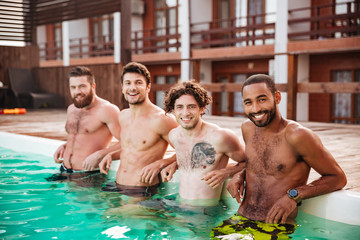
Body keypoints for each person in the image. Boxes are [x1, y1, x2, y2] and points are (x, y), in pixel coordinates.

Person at [213, 74, 347, 238]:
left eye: (262, 99)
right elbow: (259, 162)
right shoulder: (247, 128)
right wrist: (240, 174)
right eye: (248, 102)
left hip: (275, 227)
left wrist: (293, 196)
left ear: (277, 97)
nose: (255, 109)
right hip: (241, 219)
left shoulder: (298, 135)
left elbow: (337, 177)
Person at [99, 62, 178, 198]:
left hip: (141, 190)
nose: (132, 88)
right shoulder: (123, 115)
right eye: (128, 83)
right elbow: (133, 149)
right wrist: (112, 155)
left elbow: (189, 149)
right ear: (122, 88)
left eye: (138, 82)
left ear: (148, 87)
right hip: (117, 185)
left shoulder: (161, 119)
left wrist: (162, 163)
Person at [160, 81, 246, 206]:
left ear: (202, 108)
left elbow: (251, 162)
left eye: (191, 106)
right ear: (173, 110)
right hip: (179, 204)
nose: (185, 112)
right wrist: (175, 163)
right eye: (180, 107)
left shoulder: (220, 137)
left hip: (203, 213)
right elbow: (194, 160)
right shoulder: (174, 136)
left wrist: (226, 172)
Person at [52, 66, 121, 176]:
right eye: (73, 87)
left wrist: (101, 154)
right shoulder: (71, 109)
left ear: (93, 86)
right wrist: (65, 145)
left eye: (82, 86)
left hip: (89, 175)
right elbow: (81, 136)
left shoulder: (107, 110)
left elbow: (128, 142)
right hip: (64, 170)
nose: (77, 91)